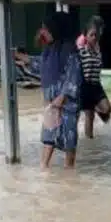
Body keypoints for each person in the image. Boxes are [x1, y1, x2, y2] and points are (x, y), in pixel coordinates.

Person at [39, 11, 83, 169]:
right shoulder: (49, 51)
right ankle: (44, 173)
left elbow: (74, 76)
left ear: (56, 29)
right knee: (48, 139)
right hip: (52, 104)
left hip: (67, 105)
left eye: (46, 28)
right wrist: (20, 58)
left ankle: (69, 175)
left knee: (69, 141)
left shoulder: (71, 51)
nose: (43, 32)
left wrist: (62, 97)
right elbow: (40, 67)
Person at [77, 15, 111, 139]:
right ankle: (89, 142)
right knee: (89, 116)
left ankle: (96, 108)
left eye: (96, 34)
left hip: (97, 85)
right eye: (91, 35)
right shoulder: (81, 47)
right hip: (85, 85)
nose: (95, 37)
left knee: (107, 109)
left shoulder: (97, 47)